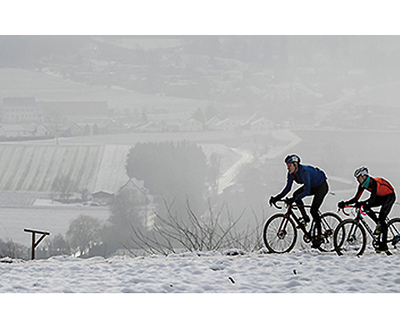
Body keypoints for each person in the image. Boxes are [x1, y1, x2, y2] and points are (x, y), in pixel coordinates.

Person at [269, 154, 329, 248]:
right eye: (287, 166)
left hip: (321, 186)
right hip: (313, 186)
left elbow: (307, 190)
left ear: (296, 165)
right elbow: (288, 188)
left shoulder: (304, 171)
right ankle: (305, 218)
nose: (288, 168)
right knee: (295, 195)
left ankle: (320, 235)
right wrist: (277, 197)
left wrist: (294, 199)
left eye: (289, 166)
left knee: (313, 210)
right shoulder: (291, 174)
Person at [338, 166, 396, 255]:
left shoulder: (374, 183)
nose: (357, 180)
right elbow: (355, 198)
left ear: (364, 176)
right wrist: (345, 203)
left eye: (358, 178)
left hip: (389, 196)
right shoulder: (363, 185)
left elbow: (372, 200)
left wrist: (362, 203)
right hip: (380, 197)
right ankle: (378, 224)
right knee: (366, 207)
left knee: (381, 218)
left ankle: (384, 245)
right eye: (356, 178)